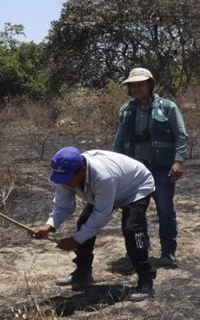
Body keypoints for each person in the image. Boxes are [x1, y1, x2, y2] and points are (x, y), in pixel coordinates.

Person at [28, 147, 157, 301]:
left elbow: (102, 215)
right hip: (111, 187)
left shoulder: (103, 176)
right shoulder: (65, 175)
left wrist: (76, 240)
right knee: (84, 222)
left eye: (68, 178)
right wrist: (49, 226)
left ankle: (145, 278)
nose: (64, 183)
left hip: (135, 186)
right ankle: (83, 272)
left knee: (131, 228)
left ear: (82, 171)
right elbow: (64, 206)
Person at [113, 67, 188, 267]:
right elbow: (119, 141)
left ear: (150, 84)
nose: (136, 88)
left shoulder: (168, 107)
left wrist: (178, 161)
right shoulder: (126, 110)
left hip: (161, 168)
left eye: (140, 84)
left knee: (165, 210)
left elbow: (180, 135)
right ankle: (139, 250)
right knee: (135, 212)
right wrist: (117, 168)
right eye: (132, 85)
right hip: (133, 170)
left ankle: (168, 252)